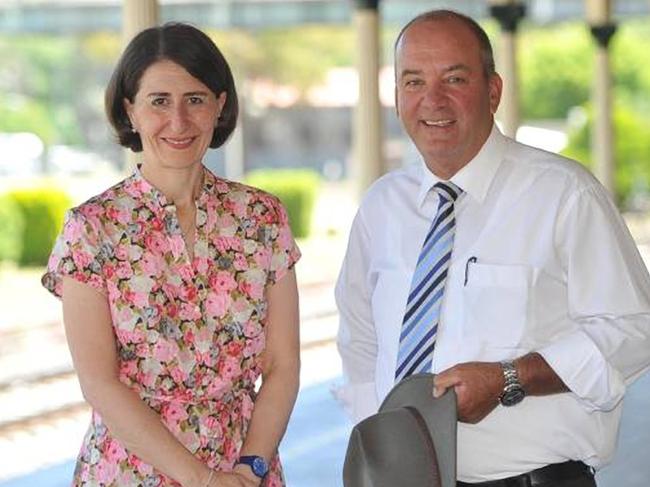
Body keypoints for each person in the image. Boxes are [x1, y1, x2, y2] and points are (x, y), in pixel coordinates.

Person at [336, 9, 650, 487]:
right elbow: (360, 340)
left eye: (454, 78)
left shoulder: (563, 194)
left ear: (494, 90)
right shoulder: (381, 207)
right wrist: (378, 440)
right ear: (396, 96)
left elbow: (634, 328)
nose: (432, 100)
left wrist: (511, 377)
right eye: (413, 81)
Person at [42, 23, 300, 487]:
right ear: (130, 111)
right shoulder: (92, 229)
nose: (178, 121)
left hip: (244, 469)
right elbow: (99, 383)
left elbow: (283, 366)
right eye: (159, 101)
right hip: (128, 472)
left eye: (195, 99)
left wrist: (250, 468)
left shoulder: (263, 218)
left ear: (220, 106)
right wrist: (202, 479)